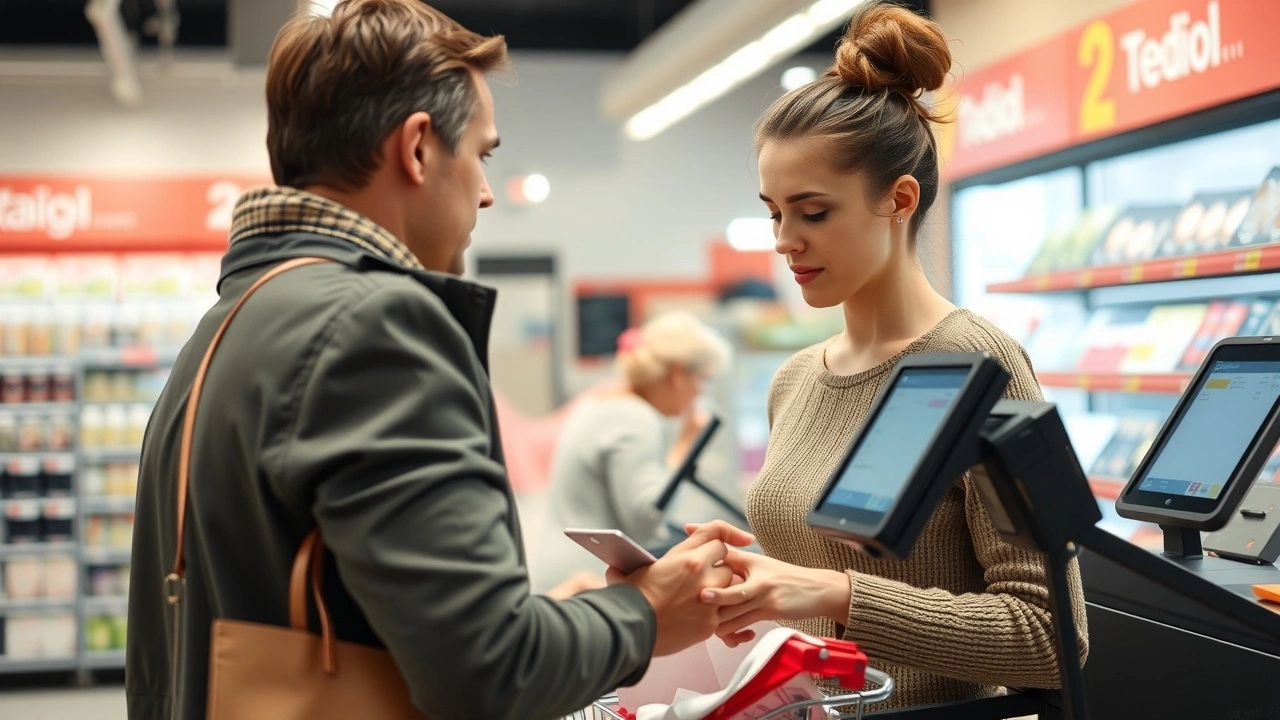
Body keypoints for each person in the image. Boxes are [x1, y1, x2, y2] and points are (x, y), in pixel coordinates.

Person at [124, 2, 751, 719]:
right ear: (418, 148)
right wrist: (641, 614)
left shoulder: (225, 328)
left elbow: (353, 613)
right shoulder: (377, 324)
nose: (486, 191)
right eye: (482, 155)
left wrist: (552, 619)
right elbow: (489, 675)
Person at [694, 2, 1089, 711]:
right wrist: (750, 581)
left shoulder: (982, 363)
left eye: (812, 212)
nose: (784, 239)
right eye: (774, 212)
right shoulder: (795, 380)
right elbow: (814, 576)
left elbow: (1048, 636)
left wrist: (836, 593)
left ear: (898, 200)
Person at [529, 311, 731, 593]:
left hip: (560, 572)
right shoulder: (636, 419)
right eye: (703, 379)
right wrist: (686, 444)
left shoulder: (600, 403)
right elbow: (646, 519)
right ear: (677, 374)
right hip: (588, 581)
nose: (701, 392)